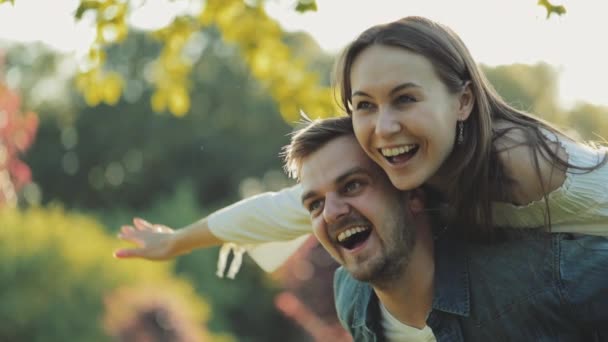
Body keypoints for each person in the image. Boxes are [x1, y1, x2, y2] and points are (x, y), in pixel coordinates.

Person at [115, 16, 608, 275]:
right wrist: (179, 240)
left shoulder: (512, 159)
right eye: (364, 105)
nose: (384, 126)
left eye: (406, 99)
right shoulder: (410, 162)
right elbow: (281, 208)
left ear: (462, 102)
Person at [285, 116, 608, 341]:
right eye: (314, 204)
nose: (330, 213)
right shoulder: (351, 298)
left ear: (412, 194)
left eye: (353, 185)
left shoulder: (539, 278)